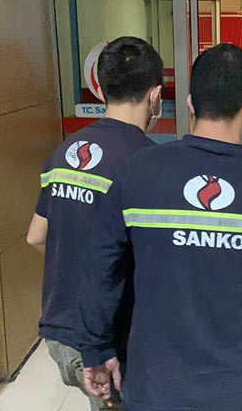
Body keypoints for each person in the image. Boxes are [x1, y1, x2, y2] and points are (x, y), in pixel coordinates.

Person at [76, 43, 242, 411]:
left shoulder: (136, 171)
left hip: (157, 389)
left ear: (189, 104)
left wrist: (96, 350)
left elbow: (98, 270)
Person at [25, 36, 164, 411]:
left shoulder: (64, 153)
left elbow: (36, 236)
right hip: (108, 335)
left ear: (101, 89)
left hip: (59, 329)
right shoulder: (149, 164)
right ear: (155, 95)